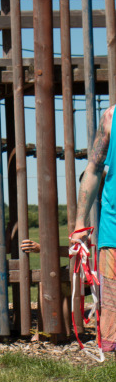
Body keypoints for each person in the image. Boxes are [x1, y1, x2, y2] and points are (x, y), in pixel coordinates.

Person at [71, 105, 116, 352]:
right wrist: (80, 224)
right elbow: (94, 169)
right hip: (113, 228)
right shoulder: (110, 118)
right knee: (112, 323)